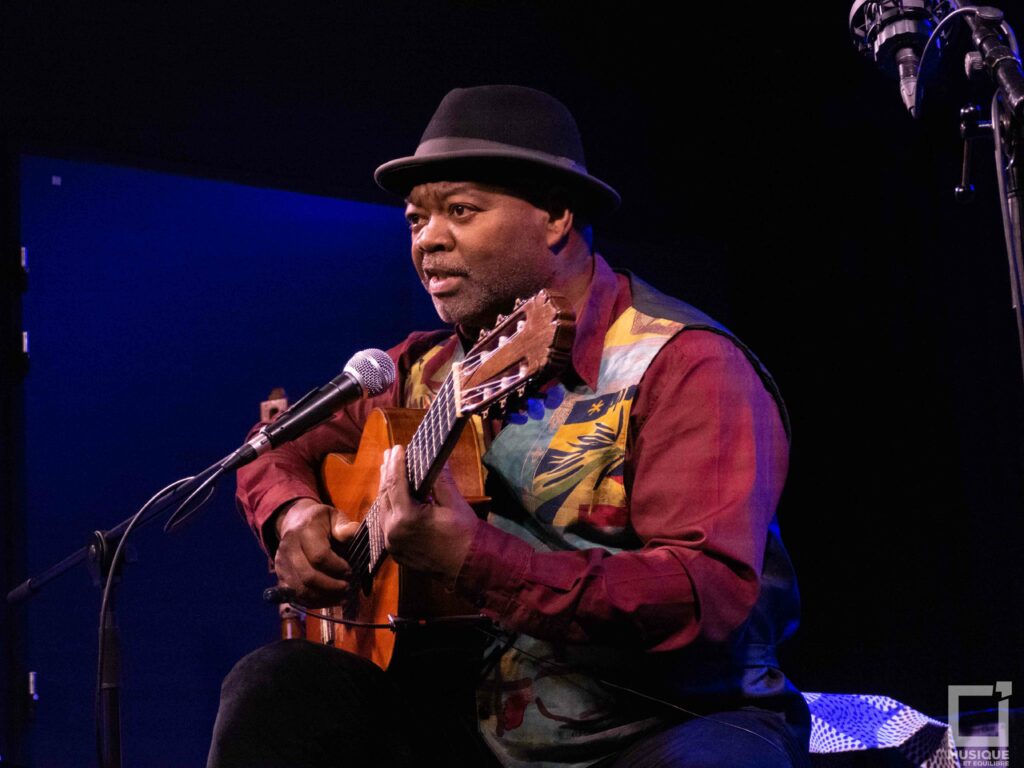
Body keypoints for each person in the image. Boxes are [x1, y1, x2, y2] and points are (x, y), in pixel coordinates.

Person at [207, 85, 811, 768]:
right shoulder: (420, 368)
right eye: (415, 220)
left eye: (459, 211)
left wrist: (476, 562)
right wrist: (293, 518)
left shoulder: (686, 364)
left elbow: (707, 594)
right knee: (276, 688)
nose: (428, 240)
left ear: (556, 214)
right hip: (474, 725)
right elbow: (273, 448)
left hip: (660, 723)